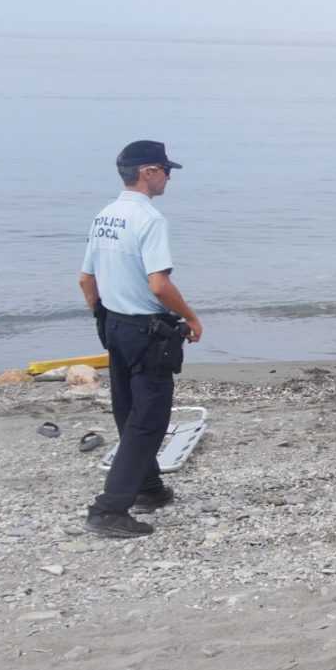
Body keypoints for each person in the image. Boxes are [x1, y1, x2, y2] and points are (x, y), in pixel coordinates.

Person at [79, 141, 203, 538]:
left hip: (114, 323)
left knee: (128, 410)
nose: (170, 177)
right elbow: (159, 284)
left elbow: (86, 279)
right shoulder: (149, 219)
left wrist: (102, 317)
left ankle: (148, 487)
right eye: (167, 170)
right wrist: (190, 316)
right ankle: (109, 509)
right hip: (145, 329)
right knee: (149, 421)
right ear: (149, 171)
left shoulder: (105, 215)